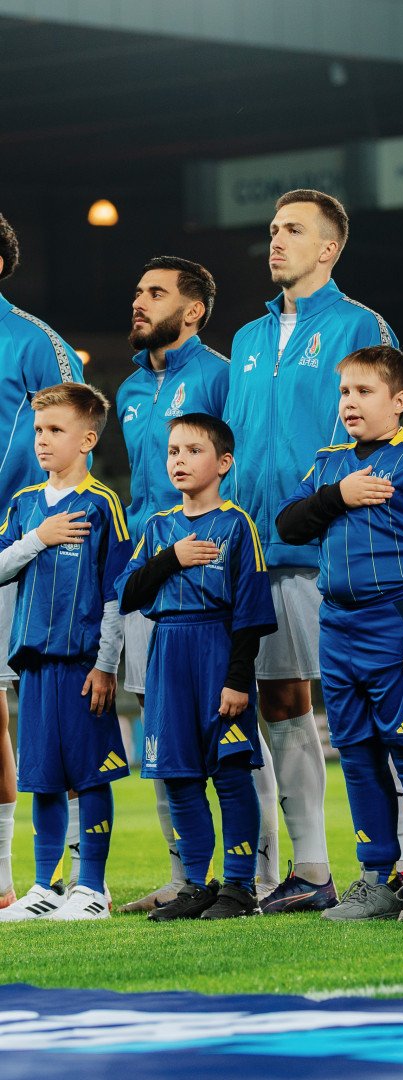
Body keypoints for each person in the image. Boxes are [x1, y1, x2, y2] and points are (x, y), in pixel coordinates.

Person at [224, 189, 402, 913]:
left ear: (329, 248)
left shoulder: (361, 325)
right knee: (280, 706)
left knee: (380, 708)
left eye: (293, 230)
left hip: (339, 547)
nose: (276, 241)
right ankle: (311, 868)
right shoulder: (245, 339)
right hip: (259, 551)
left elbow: (387, 433)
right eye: (272, 229)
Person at [115, 255, 279, 912]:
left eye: (154, 292)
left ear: (193, 310)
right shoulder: (129, 391)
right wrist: (157, 556)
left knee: (240, 749)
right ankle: (188, 877)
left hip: (215, 581)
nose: (139, 300)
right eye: (137, 289)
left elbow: (236, 458)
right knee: (167, 747)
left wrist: (209, 550)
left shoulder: (219, 375)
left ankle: (254, 877)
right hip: (156, 576)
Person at [277, 346, 403, 922]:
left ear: (399, 401)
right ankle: (375, 880)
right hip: (338, 624)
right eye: (345, 392)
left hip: (397, 623)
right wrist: (339, 497)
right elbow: (288, 523)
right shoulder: (330, 464)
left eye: (364, 392)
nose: (350, 403)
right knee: (356, 755)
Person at [0, 383, 131, 922]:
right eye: (38, 431)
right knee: (42, 776)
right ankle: (44, 887)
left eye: (56, 430)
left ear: (87, 439)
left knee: (90, 773)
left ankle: (92, 888)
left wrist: (106, 663)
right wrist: (40, 538)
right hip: (34, 665)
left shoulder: (104, 504)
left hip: (82, 666)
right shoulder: (25, 505)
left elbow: (116, 591)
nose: (43, 441)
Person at [0, 212, 85, 909]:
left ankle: (10, 876)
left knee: (2, 715)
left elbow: (70, 428)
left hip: (14, 544)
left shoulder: (36, 344)